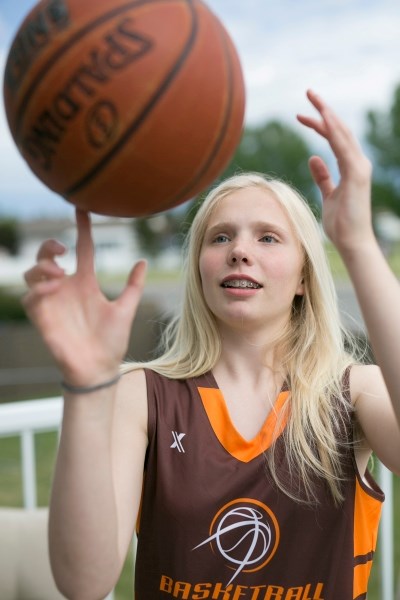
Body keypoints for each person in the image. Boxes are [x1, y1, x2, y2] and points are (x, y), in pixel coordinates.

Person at [23, 90, 400, 600]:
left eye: (268, 238)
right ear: (199, 268)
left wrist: (356, 243)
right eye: (220, 237)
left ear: (303, 279)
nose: (240, 250)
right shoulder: (144, 394)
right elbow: (83, 583)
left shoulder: (353, 392)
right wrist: (87, 384)